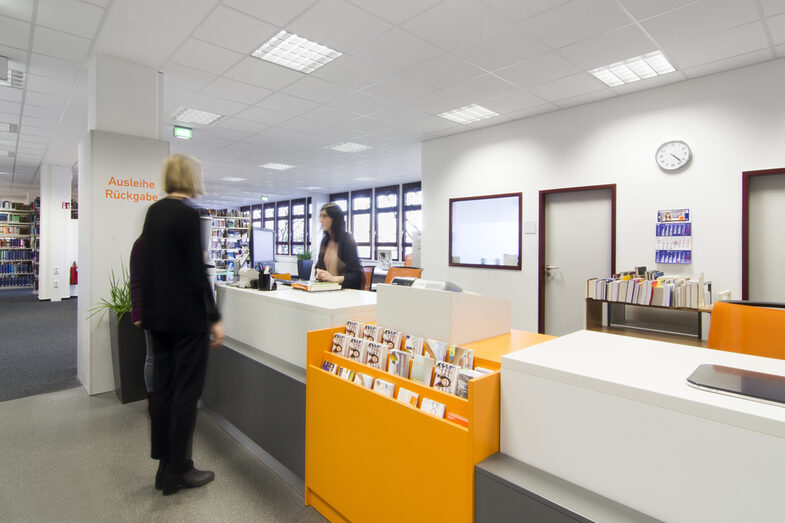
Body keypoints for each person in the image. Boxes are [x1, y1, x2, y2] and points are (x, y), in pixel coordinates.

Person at [141, 154, 224, 496]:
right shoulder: (189, 215)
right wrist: (214, 318)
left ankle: (163, 467)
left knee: (163, 391)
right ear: (190, 178)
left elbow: (148, 265)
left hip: (157, 319)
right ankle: (181, 469)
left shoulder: (154, 212)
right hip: (187, 321)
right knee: (186, 395)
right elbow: (196, 271)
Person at [129, 235, 153, 415]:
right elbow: (136, 280)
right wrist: (137, 311)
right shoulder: (141, 244)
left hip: (176, 310)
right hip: (152, 310)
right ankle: (153, 401)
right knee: (153, 357)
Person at [314, 202, 364, 289]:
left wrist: (334, 279)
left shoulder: (347, 240)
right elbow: (318, 267)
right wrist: (319, 273)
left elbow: (357, 277)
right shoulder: (325, 241)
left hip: (345, 293)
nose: (320, 220)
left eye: (324, 216)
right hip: (327, 290)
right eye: (320, 216)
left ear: (335, 218)